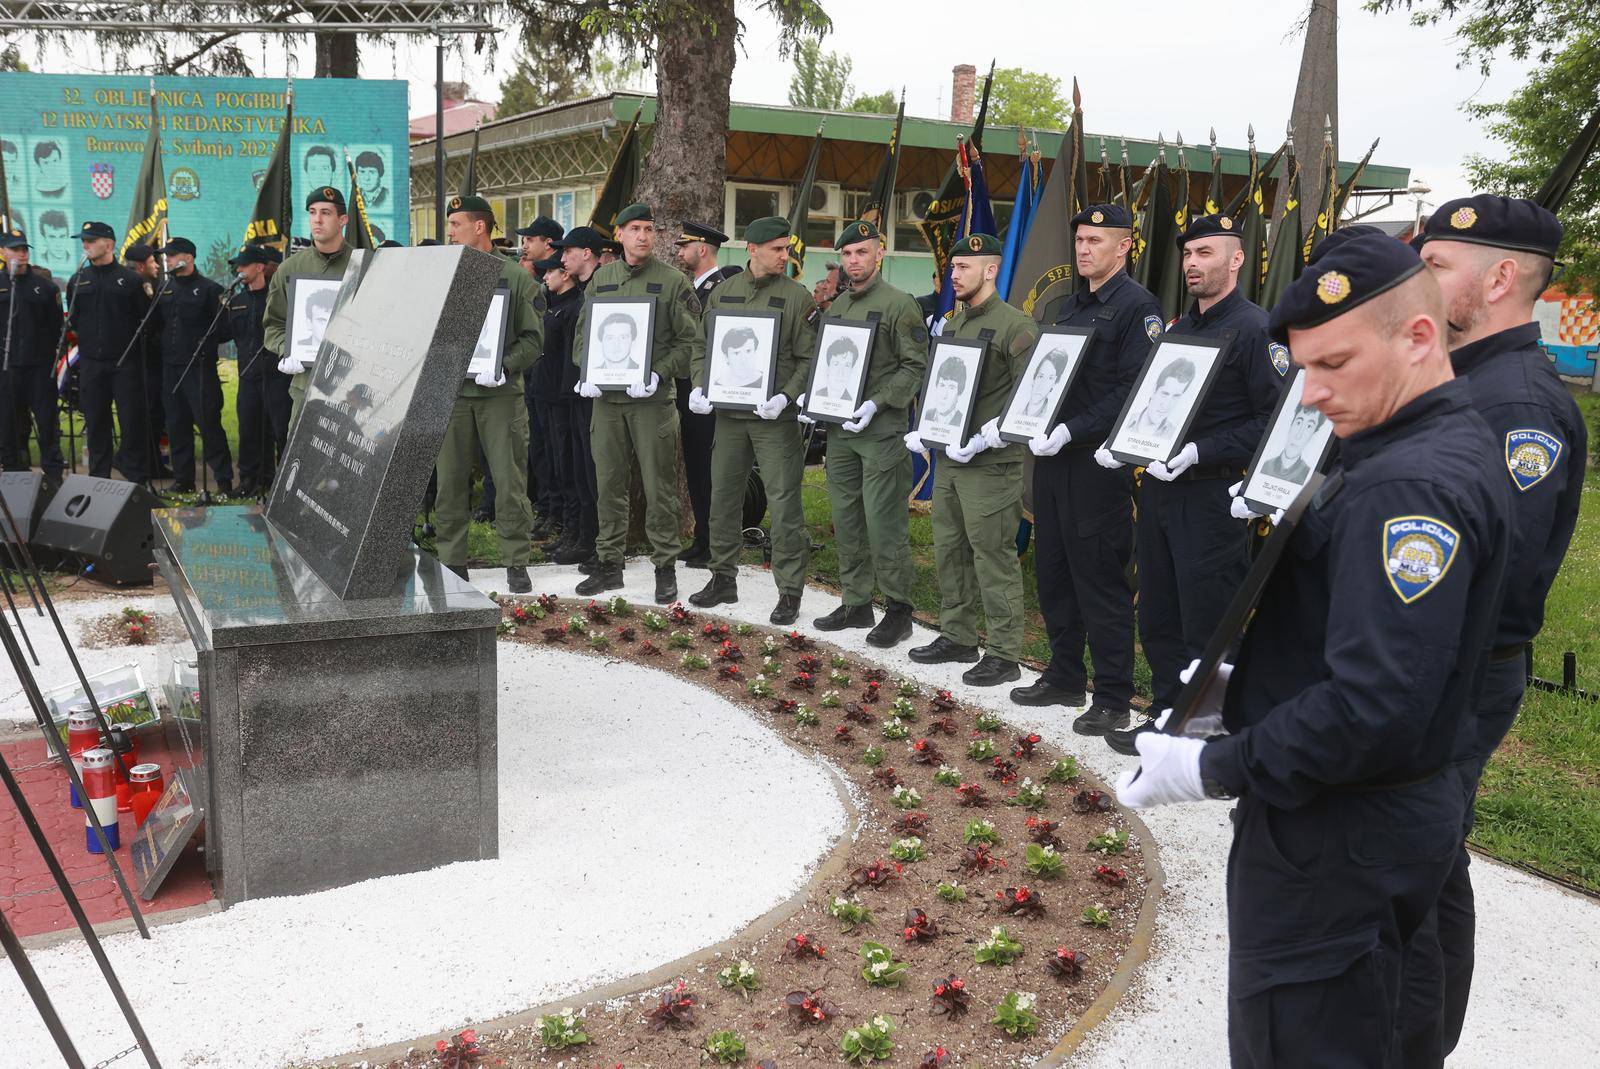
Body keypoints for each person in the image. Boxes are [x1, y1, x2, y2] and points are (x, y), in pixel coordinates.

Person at [1115, 230, 1513, 1069]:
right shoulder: (1412, 440)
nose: (1311, 393)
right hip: (1378, 818)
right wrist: (1240, 680)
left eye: (1333, 364)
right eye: (1301, 368)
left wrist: (1212, 768)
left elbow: (1373, 706)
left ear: (1417, 336)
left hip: (1339, 835)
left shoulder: (1408, 484)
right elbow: (1370, 638)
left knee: (1300, 1040)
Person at [1396, 195, 1588, 1066]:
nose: (1417, 278)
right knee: (1420, 860)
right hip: (1426, 665)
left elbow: (1490, 571)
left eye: (1435, 264)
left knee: (1416, 869)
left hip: (1458, 675)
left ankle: (1414, 1046)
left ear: (1501, 277)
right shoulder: (1460, 377)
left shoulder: (1518, 406)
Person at [1099, 213, 1282, 749]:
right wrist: (1126, 440)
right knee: (1159, 611)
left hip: (1211, 495)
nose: (1193, 264)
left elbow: (1270, 422)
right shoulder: (1181, 328)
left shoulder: (1255, 329)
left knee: (1209, 617)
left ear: (1237, 258)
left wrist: (1201, 449)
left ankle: (1211, 726)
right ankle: (1166, 712)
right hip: (1159, 489)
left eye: (1206, 253)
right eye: (1188, 254)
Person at [1018, 203, 1162, 724]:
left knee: (1099, 582)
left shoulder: (1137, 308)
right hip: (1054, 461)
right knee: (1054, 574)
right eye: (1079, 240)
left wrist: (1072, 430)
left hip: (1097, 465)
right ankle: (1063, 677)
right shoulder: (1070, 307)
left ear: (1123, 247)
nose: (1083, 249)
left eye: (1095, 241)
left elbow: (1133, 392)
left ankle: (1113, 697)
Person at [903, 232, 1037, 685]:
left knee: (993, 558)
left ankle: (1003, 652)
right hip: (951, 462)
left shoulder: (1016, 326)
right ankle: (958, 635)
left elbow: (1027, 398)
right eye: (952, 268)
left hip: (991, 465)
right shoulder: (954, 326)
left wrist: (988, 438)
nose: (954, 276)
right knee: (949, 552)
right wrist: (925, 428)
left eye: (963, 268)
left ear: (991, 270)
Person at [799, 219, 927, 646]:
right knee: (846, 518)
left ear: (879, 254)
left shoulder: (899, 304)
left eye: (862, 252)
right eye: (847, 254)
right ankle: (855, 602)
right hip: (840, 431)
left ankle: (898, 608)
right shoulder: (838, 307)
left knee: (883, 521)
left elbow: (915, 366)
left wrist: (878, 402)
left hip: (880, 431)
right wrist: (811, 398)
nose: (854, 261)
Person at [685, 216, 817, 623]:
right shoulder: (723, 293)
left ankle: (790, 590)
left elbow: (807, 358)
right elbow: (702, 347)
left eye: (787, 249)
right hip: (729, 418)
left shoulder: (798, 298)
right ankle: (723, 577)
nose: (785, 256)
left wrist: (785, 396)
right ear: (752, 249)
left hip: (773, 420)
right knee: (723, 498)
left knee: (783, 502)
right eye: (777, 249)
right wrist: (698, 385)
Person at [571, 203, 698, 603]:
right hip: (607, 402)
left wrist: (658, 372)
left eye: (649, 229)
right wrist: (587, 372)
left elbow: (690, 341)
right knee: (608, 483)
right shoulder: (601, 280)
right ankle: (610, 564)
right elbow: (582, 338)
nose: (644, 236)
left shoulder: (673, 281)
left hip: (652, 402)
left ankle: (665, 566)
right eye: (635, 229)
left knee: (659, 486)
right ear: (620, 234)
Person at [439, 194, 544, 594]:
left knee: (509, 478)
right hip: (454, 394)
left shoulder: (516, 277)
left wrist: (504, 366)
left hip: (500, 397)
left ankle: (516, 560)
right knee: (450, 480)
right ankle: (452, 560)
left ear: (479, 226)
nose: (449, 232)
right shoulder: (445, 273)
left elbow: (534, 340)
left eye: (456, 225)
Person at [674, 219, 741, 568]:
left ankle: (717, 542)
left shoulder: (721, 287)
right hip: (689, 391)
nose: (680, 251)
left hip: (710, 392)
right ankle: (703, 537)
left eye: (685, 246)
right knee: (697, 468)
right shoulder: (693, 288)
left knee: (711, 471)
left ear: (702, 249)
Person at [66, 221, 153, 482]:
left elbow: (145, 320)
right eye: (84, 240)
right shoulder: (79, 279)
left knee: (131, 422)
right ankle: (98, 480)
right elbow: (75, 319)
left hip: (125, 363)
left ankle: (136, 480)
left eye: (91, 240)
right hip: (92, 362)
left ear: (109, 244)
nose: (85, 245)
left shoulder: (130, 279)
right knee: (95, 423)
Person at [263, 186, 354, 430]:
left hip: (352, 390)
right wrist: (287, 349)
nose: (317, 219)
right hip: (306, 388)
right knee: (301, 464)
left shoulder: (364, 265)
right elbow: (274, 324)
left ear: (343, 219)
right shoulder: (290, 269)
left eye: (326, 212)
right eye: (312, 212)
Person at [155, 236, 233, 494]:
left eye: (171, 255)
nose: (167, 259)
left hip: (199, 369)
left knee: (208, 424)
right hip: (170, 367)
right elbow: (157, 325)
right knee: (176, 424)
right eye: (166, 255)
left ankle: (223, 481)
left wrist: (204, 346)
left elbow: (224, 329)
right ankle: (183, 480)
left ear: (187, 257)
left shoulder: (210, 289)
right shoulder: (165, 289)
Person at [548, 225, 606, 568]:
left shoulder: (599, 287)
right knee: (580, 469)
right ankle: (584, 536)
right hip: (575, 391)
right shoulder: (583, 289)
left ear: (587, 253)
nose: (563, 257)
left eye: (568, 251)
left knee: (593, 470)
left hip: (594, 393)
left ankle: (595, 540)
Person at [0, 230, 65, 486]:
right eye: (15, 249)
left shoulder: (45, 287)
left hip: (39, 367)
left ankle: (53, 474)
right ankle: (15, 472)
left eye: (24, 249)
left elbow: (56, 326)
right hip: (6, 367)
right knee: (8, 422)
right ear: (3, 252)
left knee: (47, 421)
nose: (21, 254)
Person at [223, 244, 289, 497]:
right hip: (248, 376)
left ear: (259, 267)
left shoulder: (277, 299)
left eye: (244, 264)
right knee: (249, 430)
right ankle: (250, 481)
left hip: (276, 377)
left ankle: (282, 484)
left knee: (280, 430)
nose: (239, 269)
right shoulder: (237, 301)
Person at [521, 218, 570, 543]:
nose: (525, 245)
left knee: (559, 456)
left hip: (558, 391)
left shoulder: (562, 296)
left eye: (531, 239)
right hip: (536, 384)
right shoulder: (539, 286)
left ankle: (559, 514)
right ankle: (546, 508)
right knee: (540, 451)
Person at [533, 254, 585, 559]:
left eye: (550, 271)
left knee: (567, 466)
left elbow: (569, 357)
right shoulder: (553, 305)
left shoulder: (573, 307)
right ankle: (559, 520)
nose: (544, 278)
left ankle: (572, 527)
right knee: (552, 461)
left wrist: (567, 394)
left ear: (565, 275)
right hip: (545, 394)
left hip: (562, 397)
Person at [122, 242, 168, 478]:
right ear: (141, 266)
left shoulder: (148, 282)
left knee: (153, 413)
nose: (157, 266)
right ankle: (143, 464)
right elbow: (148, 323)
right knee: (146, 413)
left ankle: (153, 462)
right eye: (152, 262)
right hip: (143, 361)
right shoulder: (141, 285)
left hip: (149, 361)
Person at [1257, 402, 1325, 483]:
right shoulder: (1264, 466)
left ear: (1314, 433)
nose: (1298, 435)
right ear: (1291, 423)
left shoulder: (1308, 478)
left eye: (1309, 426)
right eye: (1298, 423)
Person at [1020, 348, 1069, 421]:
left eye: (1050, 378)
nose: (1041, 386)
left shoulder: (1048, 417)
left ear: (1054, 384)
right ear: (1034, 379)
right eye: (1041, 376)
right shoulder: (1015, 411)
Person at [920, 356, 968, 429]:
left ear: (959, 392)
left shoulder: (962, 421)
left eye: (951, 388)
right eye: (942, 385)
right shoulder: (926, 415)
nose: (944, 395)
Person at [812, 336, 861, 404]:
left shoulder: (853, 404)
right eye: (836, 364)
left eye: (847, 365)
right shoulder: (814, 397)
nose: (840, 372)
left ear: (851, 370)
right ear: (828, 368)